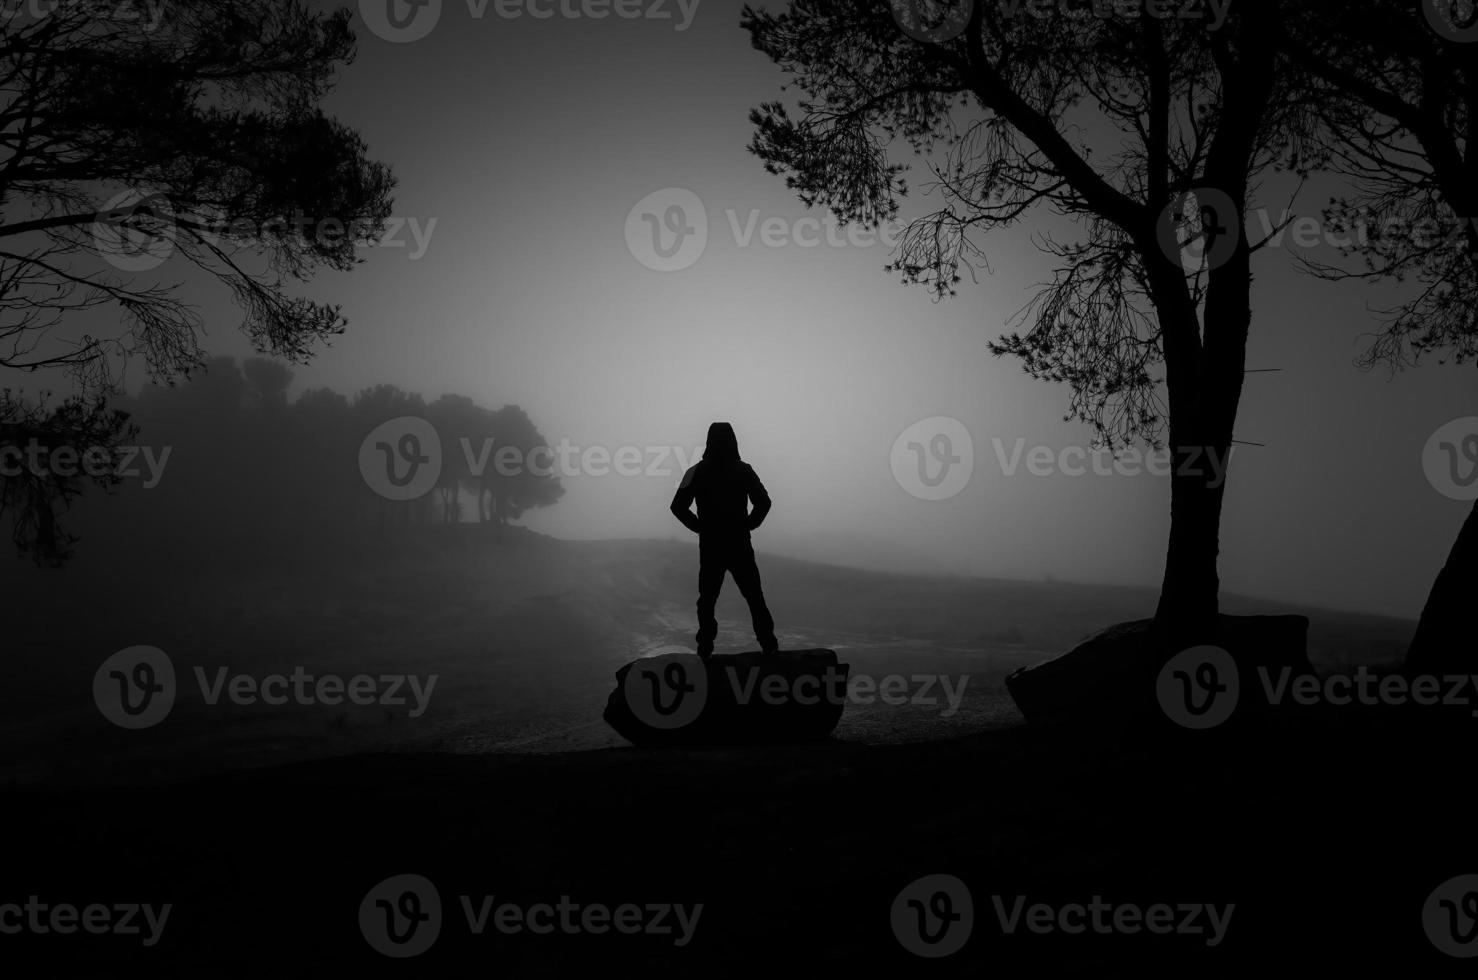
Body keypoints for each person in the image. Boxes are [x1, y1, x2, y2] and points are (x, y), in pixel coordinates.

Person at [669, 422, 778, 657]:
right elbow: (764, 503)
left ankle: (705, 649)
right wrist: (749, 524)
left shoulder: (695, 472)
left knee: (707, 600)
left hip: (711, 546)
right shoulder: (744, 470)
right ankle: (770, 647)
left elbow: (677, 506)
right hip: (739, 544)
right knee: (754, 598)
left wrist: (699, 527)